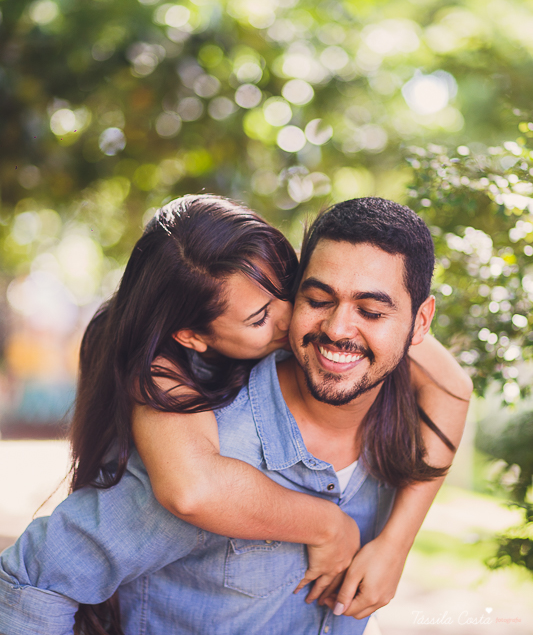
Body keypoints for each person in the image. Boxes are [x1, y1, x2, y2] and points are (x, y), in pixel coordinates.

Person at [0, 196, 472, 635]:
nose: (333, 327)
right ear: (191, 336)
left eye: (370, 310)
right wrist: (330, 525)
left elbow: (454, 389)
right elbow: (36, 576)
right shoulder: (201, 432)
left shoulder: (397, 420)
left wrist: (395, 545)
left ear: (419, 323)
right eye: (318, 299)